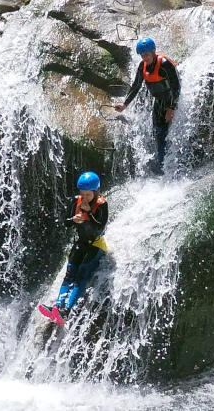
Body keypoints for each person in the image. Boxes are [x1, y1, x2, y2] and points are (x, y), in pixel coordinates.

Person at [38, 171, 109, 325]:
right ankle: (57, 307)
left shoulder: (102, 204)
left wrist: (88, 213)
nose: (84, 197)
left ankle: (67, 311)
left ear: (96, 192)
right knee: (69, 273)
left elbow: (100, 226)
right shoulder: (76, 201)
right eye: (82, 193)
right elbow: (66, 222)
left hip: (96, 244)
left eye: (88, 195)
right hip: (81, 242)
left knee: (80, 275)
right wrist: (73, 219)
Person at [114, 37, 181, 174]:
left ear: (154, 52)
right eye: (142, 55)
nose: (145, 58)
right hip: (159, 102)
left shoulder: (164, 64)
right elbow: (136, 86)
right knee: (158, 132)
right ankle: (162, 165)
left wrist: (171, 108)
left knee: (170, 132)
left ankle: (175, 164)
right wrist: (125, 104)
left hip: (172, 101)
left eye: (147, 55)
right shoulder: (142, 66)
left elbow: (176, 88)